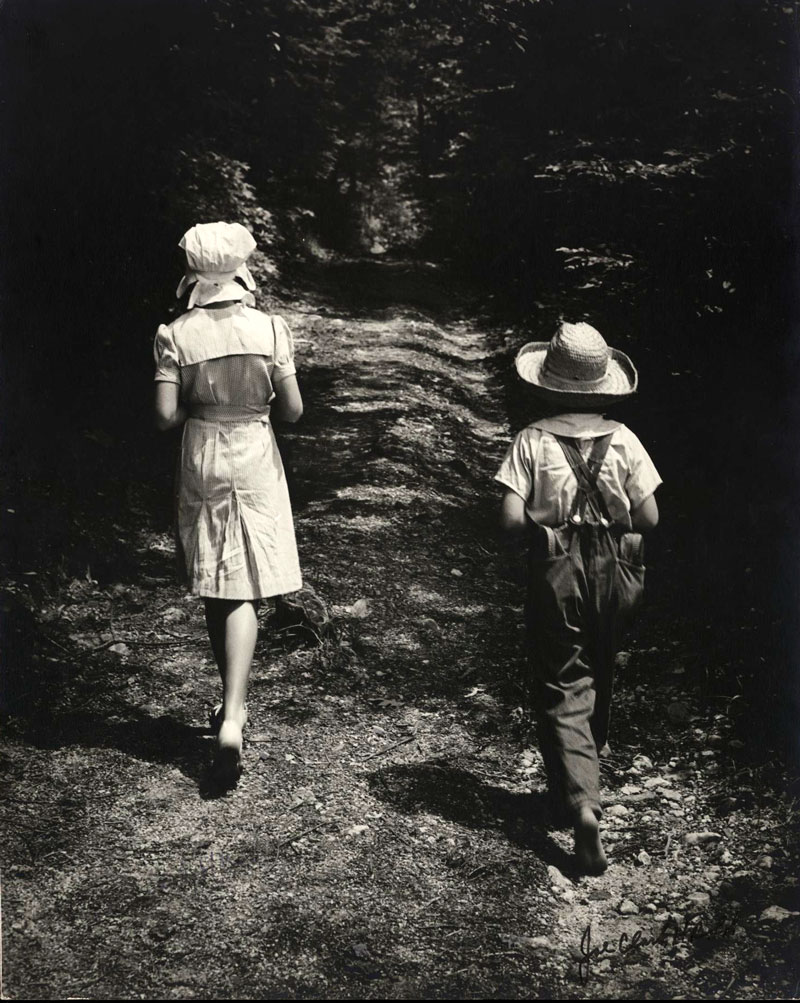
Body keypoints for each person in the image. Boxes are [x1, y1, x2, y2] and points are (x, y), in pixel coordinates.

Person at [494, 321, 661, 874]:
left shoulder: (532, 439)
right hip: (619, 569)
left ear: (547, 385)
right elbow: (651, 518)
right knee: (601, 666)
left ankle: (580, 801)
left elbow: (511, 521)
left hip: (557, 567)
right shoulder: (627, 440)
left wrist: (554, 520)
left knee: (563, 679)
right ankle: (582, 783)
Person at [153, 221, 303, 788]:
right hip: (256, 451)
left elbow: (165, 417)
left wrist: (201, 411)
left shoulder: (177, 333)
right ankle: (233, 714)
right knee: (247, 585)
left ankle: (228, 708)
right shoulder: (269, 328)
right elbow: (291, 411)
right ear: (242, 269)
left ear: (193, 273)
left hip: (204, 455)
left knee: (219, 581)